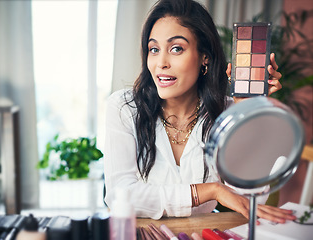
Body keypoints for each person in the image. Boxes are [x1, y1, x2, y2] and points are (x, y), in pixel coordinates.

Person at [104, 0, 294, 223]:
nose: (161, 63)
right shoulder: (125, 108)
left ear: (205, 57)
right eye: (154, 49)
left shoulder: (226, 113)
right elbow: (120, 195)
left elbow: (250, 199)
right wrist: (210, 191)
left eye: (176, 49)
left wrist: (245, 113)